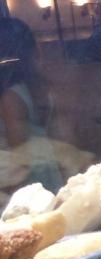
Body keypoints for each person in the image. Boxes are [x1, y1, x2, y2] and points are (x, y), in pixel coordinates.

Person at [0, 18, 59, 193]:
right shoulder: (20, 93)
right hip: (38, 175)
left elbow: (20, 155)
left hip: (38, 175)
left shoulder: (17, 94)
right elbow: (22, 155)